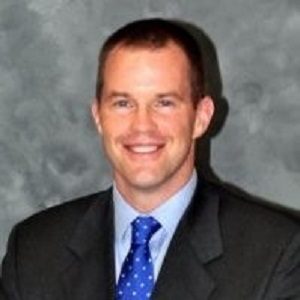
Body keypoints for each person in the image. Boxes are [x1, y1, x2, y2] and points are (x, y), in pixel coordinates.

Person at [1, 18, 300, 300]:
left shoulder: (277, 253)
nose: (142, 126)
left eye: (165, 103)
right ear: (98, 117)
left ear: (201, 117)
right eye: (123, 103)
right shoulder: (32, 250)